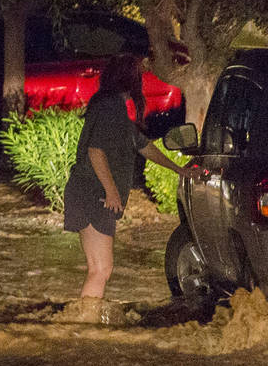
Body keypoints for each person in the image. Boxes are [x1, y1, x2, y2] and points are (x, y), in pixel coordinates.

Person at [63, 53, 199, 309]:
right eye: (140, 75)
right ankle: (86, 325)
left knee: (98, 268)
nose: (144, 80)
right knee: (101, 269)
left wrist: (179, 170)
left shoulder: (110, 107)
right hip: (94, 194)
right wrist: (112, 191)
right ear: (130, 79)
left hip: (86, 192)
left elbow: (143, 146)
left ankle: (84, 321)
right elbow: (95, 151)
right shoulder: (110, 108)